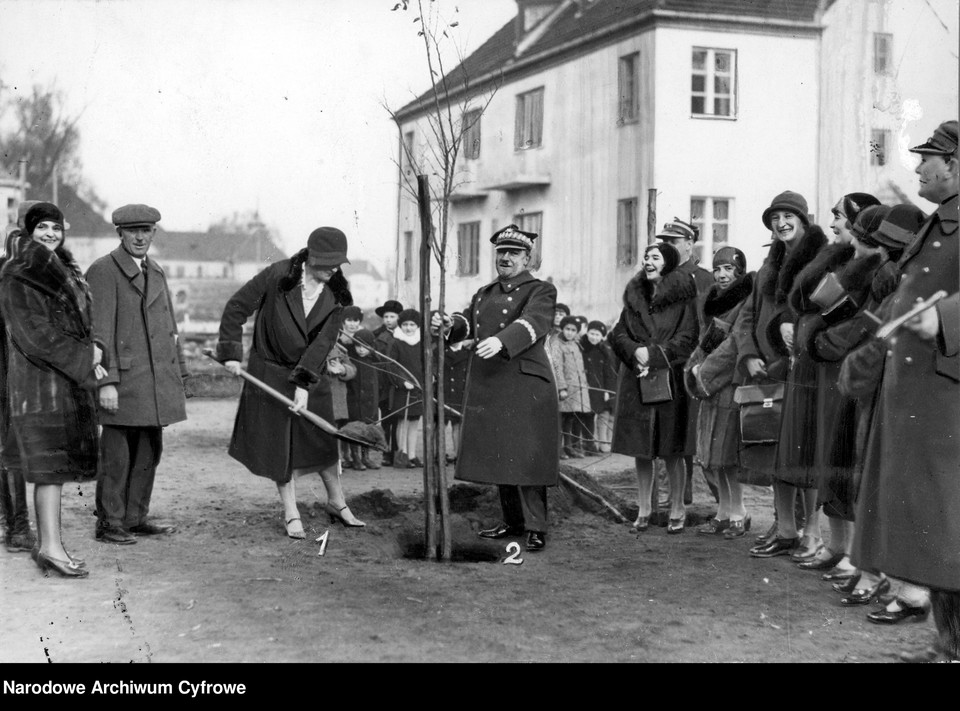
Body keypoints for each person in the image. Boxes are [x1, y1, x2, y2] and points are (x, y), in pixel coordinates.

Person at [849, 120, 959, 662]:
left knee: (947, 530)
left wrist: (944, 318)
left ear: (954, 166)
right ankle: (947, 645)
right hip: (916, 400)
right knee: (933, 534)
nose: (917, 168)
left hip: (946, 404)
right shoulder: (937, 224)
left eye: (926, 160)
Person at [216, 226, 366, 538]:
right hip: (269, 372)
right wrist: (231, 352)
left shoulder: (338, 292)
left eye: (338, 263)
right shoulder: (277, 276)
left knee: (323, 438)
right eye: (327, 263)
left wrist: (303, 383)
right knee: (279, 446)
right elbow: (236, 308)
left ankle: (337, 502)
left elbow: (323, 343)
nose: (334, 269)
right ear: (310, 257)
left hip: (311, 374)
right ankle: (290, 510)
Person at [432, 225, 559, 552]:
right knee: (501, 455)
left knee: (528, 457)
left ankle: (536, 526)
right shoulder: (485, 293)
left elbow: (535, 322)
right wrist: (450, 326)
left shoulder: (540, 290)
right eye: (501, 252)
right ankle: (513, 521)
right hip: (492, 384)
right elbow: (468, 323)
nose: (505, 257)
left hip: (525, 383)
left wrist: (502, 341)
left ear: (527, 258)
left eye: (513, 253)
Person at [0, 203, 102, 577]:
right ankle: (51, 549)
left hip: (60, 383)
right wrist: (85, 355)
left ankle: (49, 547)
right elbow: (34, 335)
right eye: (41, 227)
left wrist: (91, 355)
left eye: (55, 228)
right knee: (48, 470)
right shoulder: (18, 273)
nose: (50, 234)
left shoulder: (62, 268)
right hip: (38, 385)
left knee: (53, 471)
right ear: (28, 231)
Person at [86, 204, 189, 545]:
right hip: (123, 382)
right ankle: (109, 523)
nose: (140, 237)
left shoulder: (156, 271)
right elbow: (97, 334)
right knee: (117, 457)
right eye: (133, 231)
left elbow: (170, 329)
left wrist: (181, 375)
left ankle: (134, 518)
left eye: (146, 230)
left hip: (156, 383)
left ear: (154, 233)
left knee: (148, 452)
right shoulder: (103, 271)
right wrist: (106, 381)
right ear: (120, 233)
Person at [731, 191, 827, 556]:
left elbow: (823, 313)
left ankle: (813, 532)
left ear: (803, 220)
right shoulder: (767, 269)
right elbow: (747, 318)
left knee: (807, 451)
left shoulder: (821, 261)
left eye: (789, 216)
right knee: (777, 451)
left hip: (803, 368)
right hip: (766, 371)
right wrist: (749, 355)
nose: (781, 223)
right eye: (776, 218)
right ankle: (785, 527)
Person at [609, 242, 698, 534]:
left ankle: (677, 508)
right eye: (646, 257)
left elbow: (688, 337)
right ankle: (645, 508)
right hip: (637, 379)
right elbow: (618, 333)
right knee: (642, 450)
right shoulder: (635, 298)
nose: (648, 261)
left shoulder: (683, 300)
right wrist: (635, 351)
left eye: (655, 257)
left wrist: (657, 355)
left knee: (672, 449)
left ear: (668, 264)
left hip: (670, 381)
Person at [685, 246, 755, 538]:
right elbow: (708, 340)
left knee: (730, 455)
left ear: (739, 271)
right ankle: (723, 511)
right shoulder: (713, 301)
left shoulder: (747, 300)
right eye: (717, 268)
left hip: (730, 382)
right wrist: (695, 365)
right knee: (716, 455)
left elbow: (734, 344)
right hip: (712, 386)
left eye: (728, 269)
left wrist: (703, 372)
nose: (722, 274)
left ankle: (740, 512)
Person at [655, 218, 714, 506]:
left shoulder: (703, 278)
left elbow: (712, 322)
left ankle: (724, 504)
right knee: (672, 430)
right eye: (663, 243)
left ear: (689, 244)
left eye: (674, 242)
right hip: (667, 363)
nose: (668, 247)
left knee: (699, 433)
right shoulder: (659, 278)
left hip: (695, 363)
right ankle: (678, 493)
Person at [0, 201, 40, 554]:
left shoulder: (52, 269)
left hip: (36, 374)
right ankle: (16, 526)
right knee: (11, 449)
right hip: (9, 372)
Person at [387, 308, 424, 468]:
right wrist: (402, 381)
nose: (408, 328)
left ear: (417, 326)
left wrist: (431, 376)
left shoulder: (422, 342)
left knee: (415, 421)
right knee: (403, 420)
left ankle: (412, 454)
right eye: (405, 324)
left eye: (412, 324)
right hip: (403, 389)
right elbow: (391, 365)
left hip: (418, 387)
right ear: (400, 325)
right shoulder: (396, 342)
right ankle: (401, 453)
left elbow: (429, 361)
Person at [555, 314, 591, 459]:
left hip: (577, 389)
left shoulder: (575, 345)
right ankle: (558, 449)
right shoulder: (557, 345)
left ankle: (569, 447)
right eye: (567, 329)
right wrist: (562, 388)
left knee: (570, 418)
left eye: (573, 330)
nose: (570, 332)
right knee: (561, 419)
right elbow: (557, 368)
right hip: (565, 390)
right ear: (563, 329)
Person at [346, 328, 381, 470]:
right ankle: (355, 458)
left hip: (370, 402)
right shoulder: (352, 360)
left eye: (365, 347)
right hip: (355, 402)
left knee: (368, 429)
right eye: (358, 346)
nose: (361, 350)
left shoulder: (374, 361)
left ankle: (366, 457)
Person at [580, 320, 617, 454]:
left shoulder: (604, 351)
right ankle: (588, 444)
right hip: (586, 386)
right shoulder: (581, 347)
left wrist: (607, 390)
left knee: (604, 413)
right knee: (587, 416)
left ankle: (603, 442)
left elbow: (608, 373)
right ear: (587, 332)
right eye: (592, 333)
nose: (594, 337)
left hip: (600, 388)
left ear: (602, 337)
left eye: (597, 335)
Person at [373, 299, 403, 466]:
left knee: (399, 418)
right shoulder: (377, 335)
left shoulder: (405, 334)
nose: (389, 320)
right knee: (386, 418)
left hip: (400, 382)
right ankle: (386, 452)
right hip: (385, 382)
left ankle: (398, 450)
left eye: (392, 316)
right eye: (386, 317)